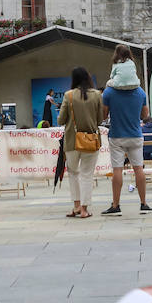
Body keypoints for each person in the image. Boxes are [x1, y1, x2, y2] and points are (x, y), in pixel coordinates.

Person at [101, 72, 151, 215]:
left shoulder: (109, 92)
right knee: (138, 169)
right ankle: (143, 203)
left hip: (117, 135)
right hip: (135, 135)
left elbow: (104, 116)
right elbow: (145, 115)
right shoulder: (140, 92)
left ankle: (116, 205)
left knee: (117, 170)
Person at [59, 66, 103, 218]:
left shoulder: (69, 95)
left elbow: (60, 120)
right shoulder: (97, 95)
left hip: (72, 141)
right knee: (87, 174)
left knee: (73, 174)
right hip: (91, 140)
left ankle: (76, 206)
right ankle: (84, 209)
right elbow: (99, 120)